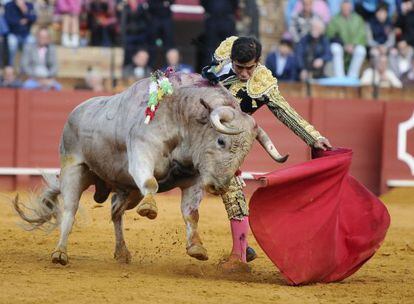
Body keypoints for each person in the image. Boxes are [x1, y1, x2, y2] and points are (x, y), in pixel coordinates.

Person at [202, 36, 332, 271]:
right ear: (232, 59)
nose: (244, 74)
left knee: (230, 185)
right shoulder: (221, 57)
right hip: (195, 129)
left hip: (225, 142)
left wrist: (314, 137)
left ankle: (239, 252)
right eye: (239, 67)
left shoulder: (262, 82)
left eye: (249, 68)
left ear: (258, 62)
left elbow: (286, 112)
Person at [326, 0, 367, 78]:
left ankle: (352, 76)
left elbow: (361, 34)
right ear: (341, 8)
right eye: (344, 8)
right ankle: (339, 77)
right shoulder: (335, 19)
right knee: (335, 48)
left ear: (351, 8)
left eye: (347, 8)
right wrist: (344, 45)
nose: (346, 10)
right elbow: (331, 35)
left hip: (353, 47)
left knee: (361, 50)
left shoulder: (358, 19)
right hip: (341, 46)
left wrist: (354, 44)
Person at [4, 0, 36, 65]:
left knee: (32, 41)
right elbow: (8, 20)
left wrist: (25, 11)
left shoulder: (29, 5)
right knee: (12, 43)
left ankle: (27, 66)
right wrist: (19, 21)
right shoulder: (9, 5)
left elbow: (33, 18)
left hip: (25, 34)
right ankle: (10, 65)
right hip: (13, 33)